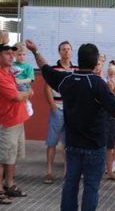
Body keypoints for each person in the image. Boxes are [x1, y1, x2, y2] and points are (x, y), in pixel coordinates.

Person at [26, 40, 115, 211]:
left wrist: (35, 51)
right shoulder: (97, 83)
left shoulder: (66, 79)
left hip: (73, 145)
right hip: (94, 146)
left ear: (79, 59)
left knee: (70, 185)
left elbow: (45, 69)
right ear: (94, 61)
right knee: (91, 187)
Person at [0, 43, 32, 204]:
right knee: (1, 158)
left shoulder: (10, 74)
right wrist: (27, 93)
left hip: (17, 121)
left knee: (11, 157)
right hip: (5, 124)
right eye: (7, 53)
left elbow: (22, 92)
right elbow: (17, 96)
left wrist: (25, 93)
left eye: (12, 53)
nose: (11, 56)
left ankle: (9, 185)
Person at [43, 41, 77, 184]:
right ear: (59, 52)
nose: (66, 52)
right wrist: (52, 106)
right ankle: (49, 172)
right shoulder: (53, 69)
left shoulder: (76, 69)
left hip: (71, 110)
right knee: (52, 142)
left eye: (68, 49)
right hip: (57, 108)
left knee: (68, 143)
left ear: (72, 51)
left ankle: (67, 172)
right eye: (63, 49)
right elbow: (47, 88)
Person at [99, 61, 115, 181]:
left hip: (111, 117)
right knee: (100, 145)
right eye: (110, 73)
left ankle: (109, 171)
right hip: (102, 116)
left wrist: (113, 89)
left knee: (110, 146)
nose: (112, 76)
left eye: (114, 74)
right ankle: (99, 170)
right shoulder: (102, 81)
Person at [12, 43, 35, 116]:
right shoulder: (12, 65)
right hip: (12, 83)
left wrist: (20, 81)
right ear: (14, 55)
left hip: (23, 84)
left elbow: (31, 79)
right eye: (19, 54)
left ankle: (27, 102)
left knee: (21, 87)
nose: (22, 57)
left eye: (24, 54)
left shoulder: (28, 66)